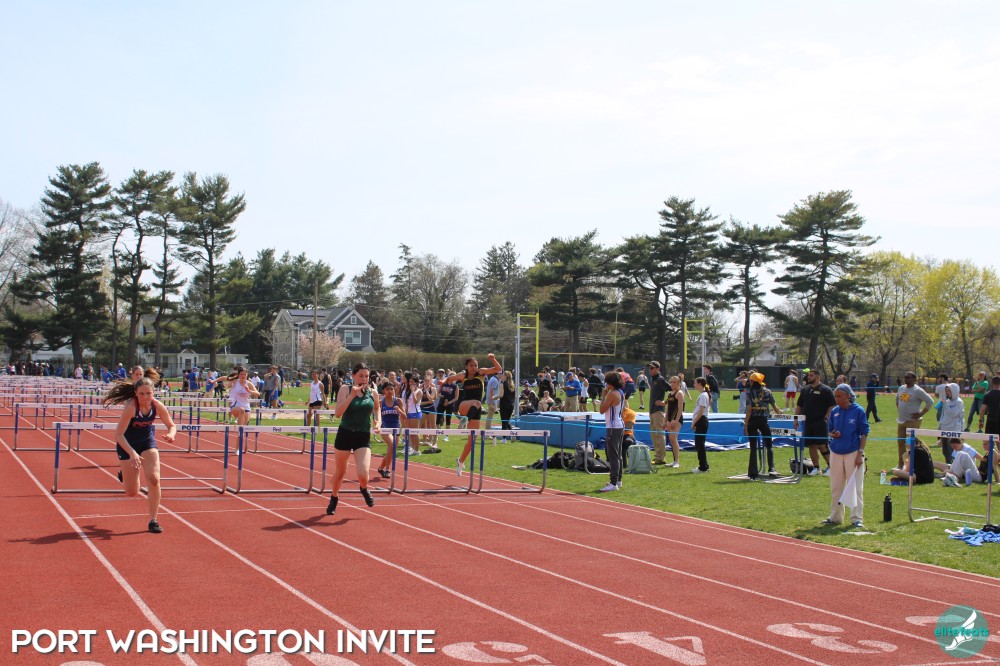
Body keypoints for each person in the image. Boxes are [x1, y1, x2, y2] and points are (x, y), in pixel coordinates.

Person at [103, 375, 178, 534]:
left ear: (153, 393)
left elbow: (172, 425)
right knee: (132, 492)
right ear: (136, 393)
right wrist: (132, 453)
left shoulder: (157, 406)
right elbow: (118, 435)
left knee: (154, 479)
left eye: (148, 393)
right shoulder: (131, 407)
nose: (145, 397)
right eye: (142, 394)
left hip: (147, 443)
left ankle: (153, 520)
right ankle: (124, 473)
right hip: (127, 445)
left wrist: (171, 434)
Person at [325, 363, 379, 516]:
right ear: (353, 376)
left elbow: (377, 408)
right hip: (345, 434)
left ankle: (364, 488)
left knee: (363, 473)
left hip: (362, 436)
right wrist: (352, 395)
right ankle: (334, 497)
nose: (364, 379)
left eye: (366, 376)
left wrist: (378, 421)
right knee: (341, 472)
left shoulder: (373, 392)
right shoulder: (345, 389)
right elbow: (338, 413)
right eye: (361, 376)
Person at [444, 354, 502, 476]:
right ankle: (464, 420)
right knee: (477, 402)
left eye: (475, 365)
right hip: (464, 405)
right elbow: (449, 379)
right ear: (466, 366)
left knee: (472, 441)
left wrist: (493, 359)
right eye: (471, 365)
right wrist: (443, 382)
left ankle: (460, 462)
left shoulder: (481, 373)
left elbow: (498, 369)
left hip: (475, 410)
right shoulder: (463, 375)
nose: (474, 368)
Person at [822, 384, 869, 528]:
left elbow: (864, 432)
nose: (836, 399)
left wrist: (860, 453)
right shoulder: (835, 411)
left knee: (855, 486)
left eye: (839, 396)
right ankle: (835, 517)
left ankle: (856, 518)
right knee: (836, 486)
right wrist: (833, 434)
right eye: (835, 396)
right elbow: (829, 430)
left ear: (848, 396)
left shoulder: (858, 411)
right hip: (836, 451)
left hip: (853, 451)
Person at [795, 368, 836, 476]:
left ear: (818, 376)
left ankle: (831, 466)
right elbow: (799, 405)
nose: (808, 377)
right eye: (808, 375)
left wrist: (826, 417)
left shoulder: (826, 390)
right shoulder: (805, 390)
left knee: (821, 445)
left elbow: (832, 405)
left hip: (820, 422)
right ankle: (816, 468)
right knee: (811, 445)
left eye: (811, 375)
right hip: (807, 422)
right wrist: (796, 418)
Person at [744, 372, 781, 478]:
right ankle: (772, 468)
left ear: (752, 381)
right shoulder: (768, 391)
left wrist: (746, 424)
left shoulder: (749, 392)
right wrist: (779, 411)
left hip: (753, 421)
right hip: (763, 420)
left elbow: (749, 409)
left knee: (753, 447)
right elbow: (775, 408)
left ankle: (753, 473)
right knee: (769, 445)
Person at [896, 371, 936, 468]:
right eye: (905, 377)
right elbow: (897, 400)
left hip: (913, 422)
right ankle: (901, 464)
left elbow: (930, 401)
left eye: (908, 377)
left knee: (911, 443)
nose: (905, 379)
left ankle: (914, 464)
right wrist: (900, 409)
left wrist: (921, 413)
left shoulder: (918, 390)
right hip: (901, 421)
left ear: (914, 379)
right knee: (900, 442)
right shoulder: (901, 388)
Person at [598, 371, 626, 492]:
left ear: (610, 382)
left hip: (613, 426)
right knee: (618, 455)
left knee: (613, 455)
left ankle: (613, 483)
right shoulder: (621, 392)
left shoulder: (612, 394)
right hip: (619, 424)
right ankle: (618, 480)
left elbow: (602, 410)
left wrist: (603, 396)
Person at [375, 382, 406, 479]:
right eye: (387, 389)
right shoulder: (381, 402)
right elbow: (376, 416)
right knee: (392, 445)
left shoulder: (398, 401)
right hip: (385, 428)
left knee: (392, 450)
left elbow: (405, 416)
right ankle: (387, 469)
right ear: (383, 391)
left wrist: (399, 410)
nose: (390, 391)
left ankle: (381, 468)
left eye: (391, 389)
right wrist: (376, 423)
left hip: (396, 428)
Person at [648, 361, 669, 465]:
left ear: (658, 369)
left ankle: (661, 458)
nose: (650, 370)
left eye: (652, 368)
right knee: (654, 434)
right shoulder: (654, 379)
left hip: (658, 411)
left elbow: (673, 390)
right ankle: (657, 456)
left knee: (659, 434)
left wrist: (664, 402)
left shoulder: (660, 379)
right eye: (649, 368)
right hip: (652, 410)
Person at [936, 383, 964, 463]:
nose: (947, 393)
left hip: (953, 429)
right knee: (945, 452)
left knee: (952, 451)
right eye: (946, 391)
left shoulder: (959, 402)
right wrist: (940, 426)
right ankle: (948, 467)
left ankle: (955, 468)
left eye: (949, 391)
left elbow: (954, 414)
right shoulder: (947, 401)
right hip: (944, 428)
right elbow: (943, 415)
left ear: (954, 391)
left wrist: (946, 404)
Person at [691, 377, 712, 474]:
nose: (694, 384)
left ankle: (703, 467)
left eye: (695, 383)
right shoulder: (703, 394)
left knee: (700, 444)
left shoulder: (703, 395)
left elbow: (701, 411)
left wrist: (694, 422)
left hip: (701, 420)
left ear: (699, 384)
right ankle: (704, 465)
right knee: (699, 444)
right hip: (701, 420)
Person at [664, 375, 684, 468]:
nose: (672, 384)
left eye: (674, 382)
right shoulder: (670, 394)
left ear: (679, 383)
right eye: (671, 382)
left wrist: (675, 420)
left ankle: (677, 461)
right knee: (671, 439)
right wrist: (665, 420)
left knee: (673, 438)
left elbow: (680, 409)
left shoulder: (679, 393)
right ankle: (674, 460)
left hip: (676, 419)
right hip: (669, 419)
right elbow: (668, 408)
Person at [419, 373, 438, 450]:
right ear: (423, 381)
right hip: (423, 409)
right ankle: (415, 442)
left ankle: (435, 443)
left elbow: (431, 399)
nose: (427, 382)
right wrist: (428, 402)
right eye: (425, 381)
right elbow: (420, 403)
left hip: (431, 409)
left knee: (433, 426)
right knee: (420, 425)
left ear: (430, 381)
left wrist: (427, 391)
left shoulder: (433, 389)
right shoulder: (420, 390)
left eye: (428, 381)